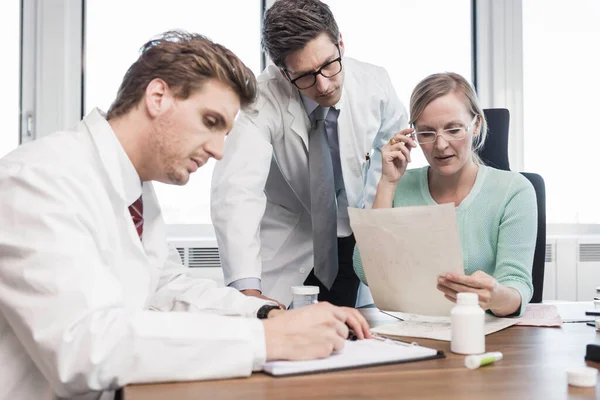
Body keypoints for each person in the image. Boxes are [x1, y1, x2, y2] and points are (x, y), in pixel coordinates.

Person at [0, 31, 371, 400]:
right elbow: (84, 348)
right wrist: (267, 339)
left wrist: (266, 314)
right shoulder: (38, 179)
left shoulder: (135, 189)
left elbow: (167, 289)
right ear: (157, 97)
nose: (218, 151)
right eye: (211, 122)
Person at [211, 0, 408, 308]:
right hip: (291, 242)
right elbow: (236, 191)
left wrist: (374, 220)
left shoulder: (375, 84)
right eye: (304, 75)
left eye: (330, 64)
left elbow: (393, 150)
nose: (324, 85)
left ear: (340, 42)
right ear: (282, 71)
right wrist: (247, 291)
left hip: (357, 237)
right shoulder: (263, 98)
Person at [353, 72, 537, 317]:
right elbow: (366, 272)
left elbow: (517, 285)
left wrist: (496, 295)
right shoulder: (399, 185)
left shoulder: (514, 191)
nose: (440, 145)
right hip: (412, 331)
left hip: (484, 332)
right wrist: (387, 184)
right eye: (427, 133)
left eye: (453, 129)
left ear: (476, 125)